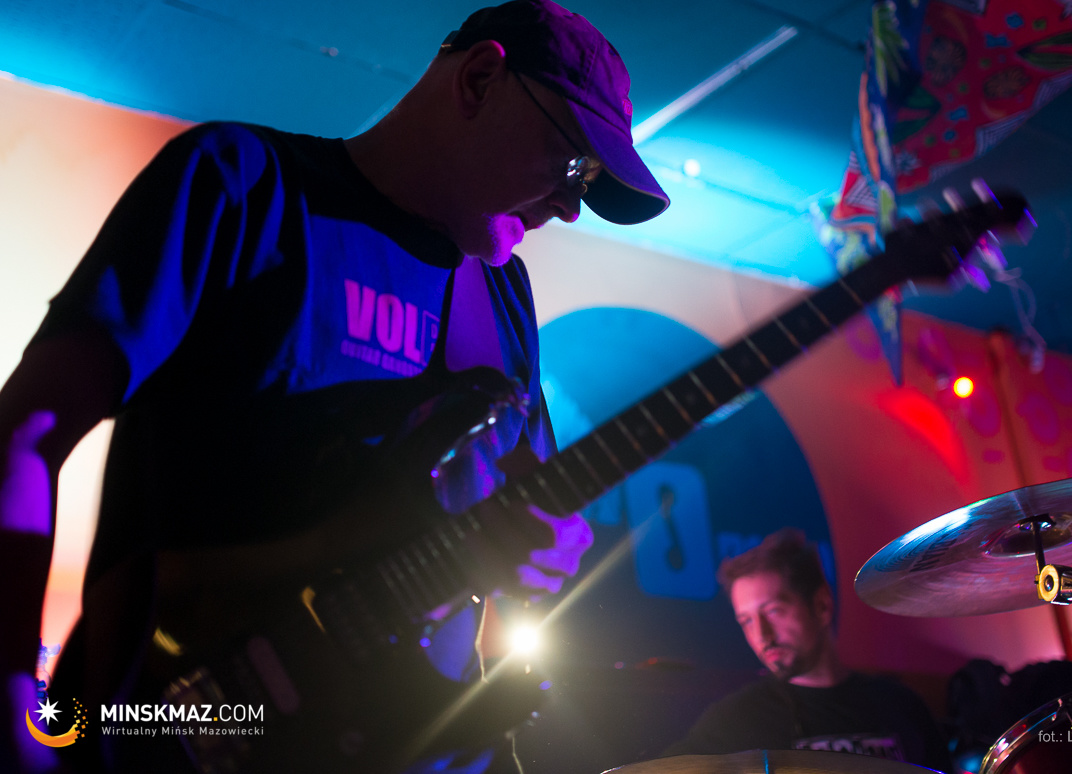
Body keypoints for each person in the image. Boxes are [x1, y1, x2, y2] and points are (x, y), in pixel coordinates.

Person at [0, 1, 668, 771]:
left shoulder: (505, 299)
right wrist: (13, 703)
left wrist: (543, 556)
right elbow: (27, 434)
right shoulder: (243, 186)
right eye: (574, 163)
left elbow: (516, 543)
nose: (572, 207)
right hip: (176, 731)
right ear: (481, 79)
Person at [664, 529, 952, 772]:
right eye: (747, 620)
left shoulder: (902, 705)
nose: (761, 635)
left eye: (774, 611)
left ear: (821, 606)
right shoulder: (732, 721)